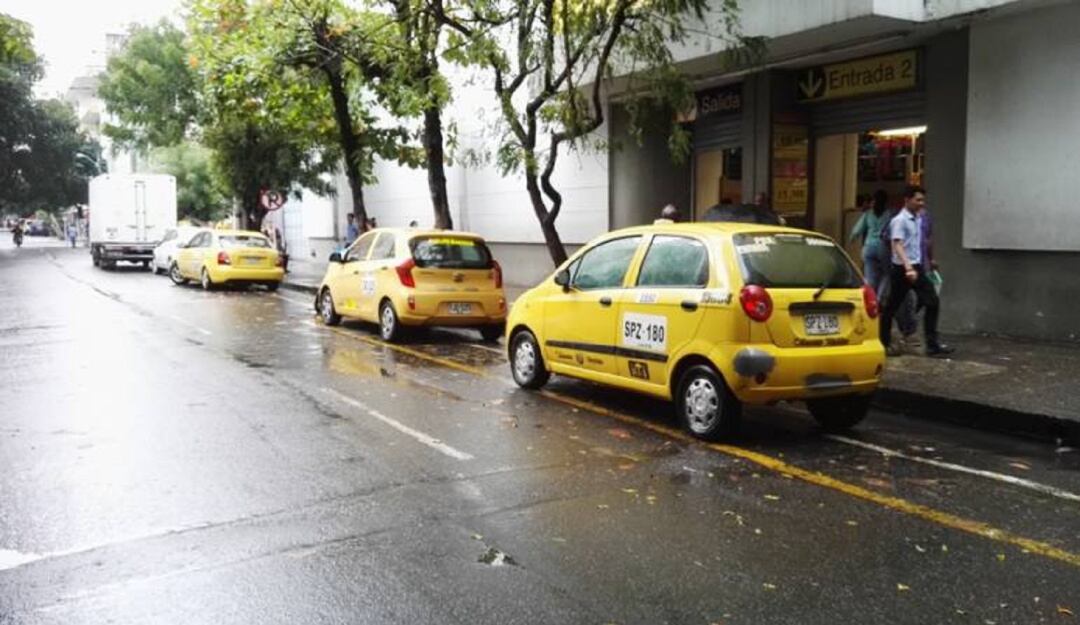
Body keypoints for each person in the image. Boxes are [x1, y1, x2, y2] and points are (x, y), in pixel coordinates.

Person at [879, 185, 953, 357]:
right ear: (907, 200)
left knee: (932, 302)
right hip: (903, 269)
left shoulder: (919, 218)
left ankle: (932, 344)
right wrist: (908, 267)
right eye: (918, 200)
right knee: (891, 307)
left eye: (922, 200)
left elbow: (924, 241)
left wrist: (928, 260)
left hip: (916, 266)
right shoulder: (899, 220)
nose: (921, 203)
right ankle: (884, 342)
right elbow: (896, 244)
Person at [848, 192, 889, 296]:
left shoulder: (868, 214)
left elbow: (857, 230)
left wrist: (851, 239)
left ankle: (870, 298)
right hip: (883, 247)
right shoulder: (889, 214)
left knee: (870, 276)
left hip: (868, 247)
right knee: (886, 273)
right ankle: (879, 298)